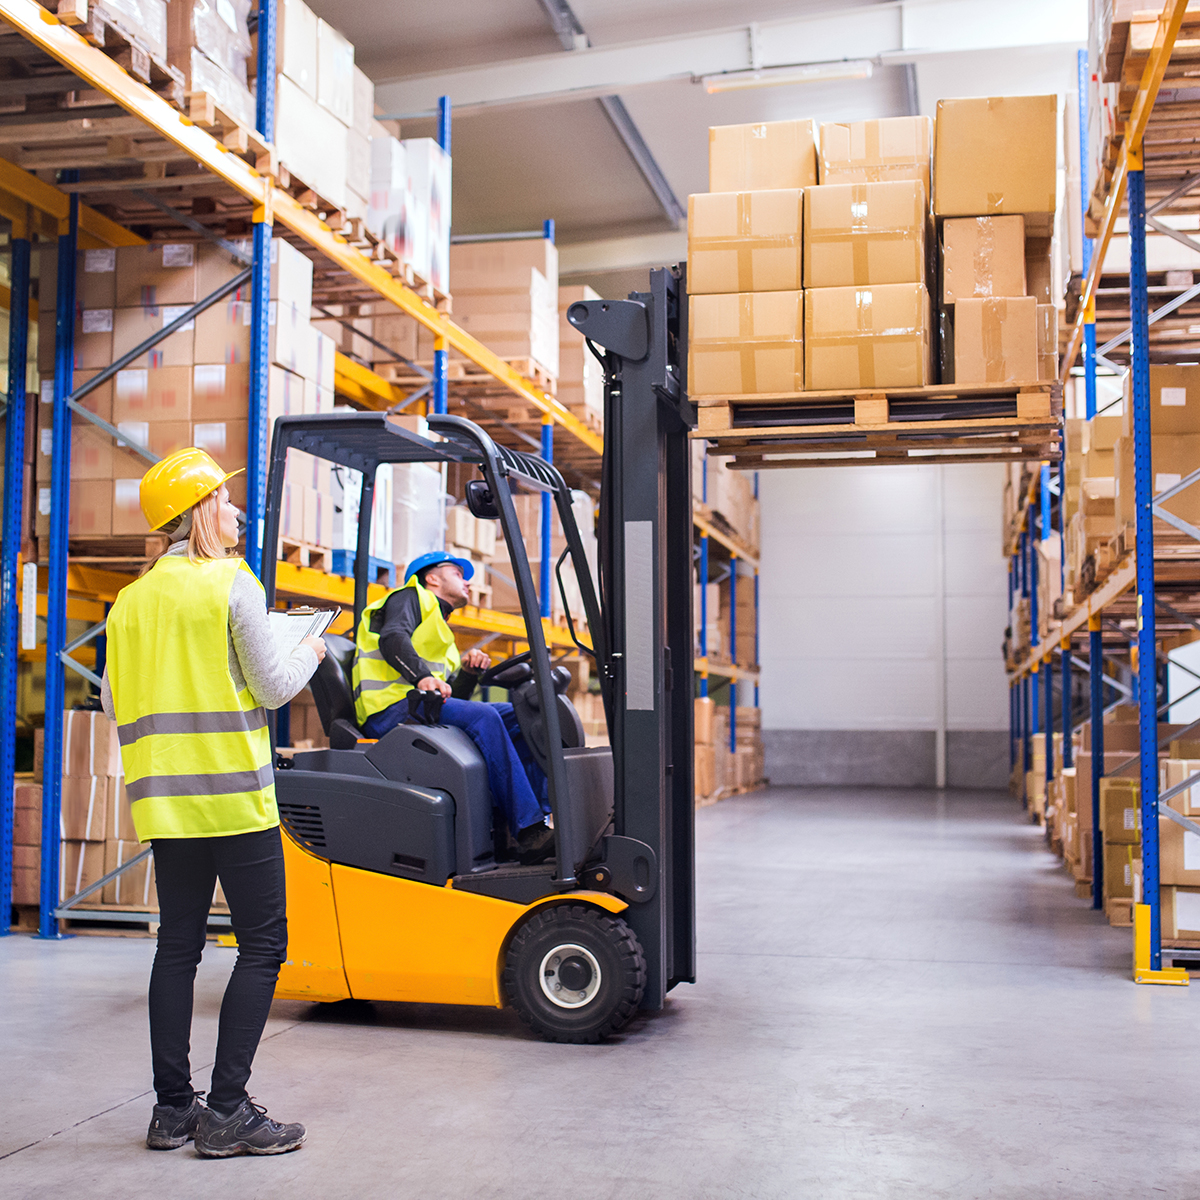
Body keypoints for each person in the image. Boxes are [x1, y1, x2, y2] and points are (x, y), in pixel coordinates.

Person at [100, 448, 327, 1158]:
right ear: (200, 512)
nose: (234, 510)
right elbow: (269, 685)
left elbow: (113, 699)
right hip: (233, 799)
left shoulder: (129, 604)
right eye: (224, 501)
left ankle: (172, 1111)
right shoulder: (232, 583)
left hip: (166, 806)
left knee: (177, 948)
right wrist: (313, 654)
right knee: (263, 948)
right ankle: (227, 1109)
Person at [352, 550, 555, 864]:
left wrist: (468, 675)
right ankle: (528, 831)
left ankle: (543, 819)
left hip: (418, 707)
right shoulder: (408, 598)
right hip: (389, 710)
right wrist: (422, 677)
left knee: (523, 715)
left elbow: (451, 697)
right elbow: (392, 638)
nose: (469, 583)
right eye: (459, 574)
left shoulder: (440, 629)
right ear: (432, 577)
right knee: (486, 716)